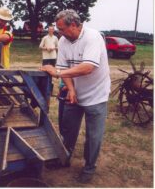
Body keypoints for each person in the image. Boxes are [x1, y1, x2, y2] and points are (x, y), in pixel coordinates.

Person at [41, 9, 111, 183]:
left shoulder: (93, 37)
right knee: (67, 130)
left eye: (61, 29)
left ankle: (89, 169)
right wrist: (71, 89)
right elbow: (65, 68)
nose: (59, 33)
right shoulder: (64, 41)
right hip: (76, 93)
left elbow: (88, 67)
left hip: (96, 95)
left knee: (93, 136)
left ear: (73, 25)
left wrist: (56, 72)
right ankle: (63, 159)